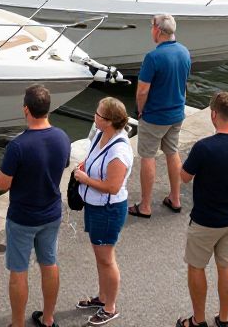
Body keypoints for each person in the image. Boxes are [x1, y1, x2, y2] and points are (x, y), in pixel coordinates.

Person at [177, 92, 228, 327]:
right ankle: (224, 319)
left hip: (206, 219)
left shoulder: (204, 148)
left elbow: (184, 177)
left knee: (197, 266)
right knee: (226, 265)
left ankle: (197, 320)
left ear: (214, 114)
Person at [0, 85, 71, 327]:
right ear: (48, 108)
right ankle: (48, 319)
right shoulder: (62, 137)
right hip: (51, 214)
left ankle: (17, 324)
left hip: (23, 217)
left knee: (19, 271)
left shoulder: (18, 146)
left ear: (26, 109)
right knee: (49, 263)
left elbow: (1, 184)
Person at [72, 97, 133, 325]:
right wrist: (84, 167)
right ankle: (103, 296)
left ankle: (110, 306)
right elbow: (92, 159)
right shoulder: (99, 135)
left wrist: (85, 179)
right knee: (100, 256)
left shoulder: (119, 151)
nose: (94, 116)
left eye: (98, 114)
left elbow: (112, 186)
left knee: (107, 259)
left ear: (108, 121)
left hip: (108, 209)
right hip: (95, 206)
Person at [129, 14, 190, 218]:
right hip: (176, 113)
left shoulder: (153, 57)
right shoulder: (184, 52)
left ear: (157, 30)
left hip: (155, 115)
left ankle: (145, 205)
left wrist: (140, 110)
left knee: (148, 156)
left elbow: (142, 91)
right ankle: (175, 198)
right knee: (172, 152)